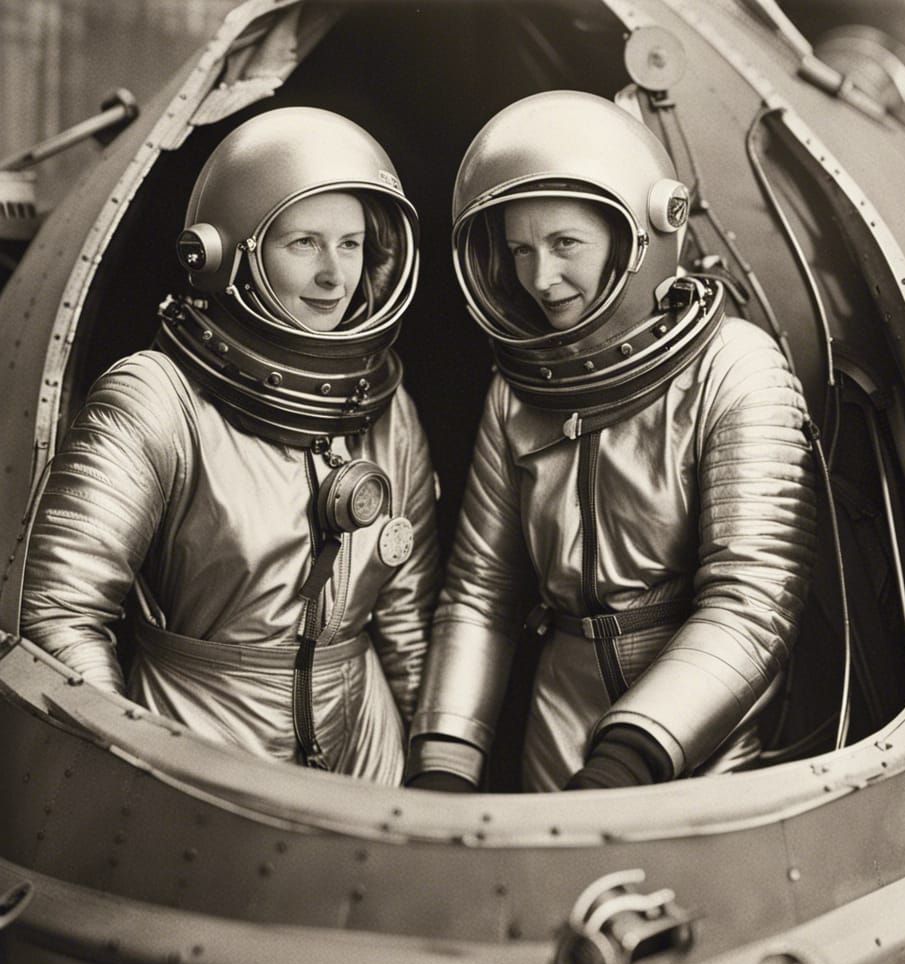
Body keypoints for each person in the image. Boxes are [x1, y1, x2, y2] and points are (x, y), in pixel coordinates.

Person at [405, 91, 816, 793]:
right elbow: (481, 593)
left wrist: (630, 757)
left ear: (642, 235)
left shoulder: (734, 367)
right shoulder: (520, 388)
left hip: (700, 738)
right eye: (519, 250)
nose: (540, 278)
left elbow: (753, 601)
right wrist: (445, 760)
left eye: (566, 244)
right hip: (557, 719)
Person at [21, 107, 440, 784]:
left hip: (370, 756)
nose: (336, 276)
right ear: (222, 254)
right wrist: (132, 771)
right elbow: (60, 613)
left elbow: (404, 616)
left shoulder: (384, 408)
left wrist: (431, 780)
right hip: (195, 759)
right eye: (304, 242)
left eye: (352, 244)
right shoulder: (158, 397)